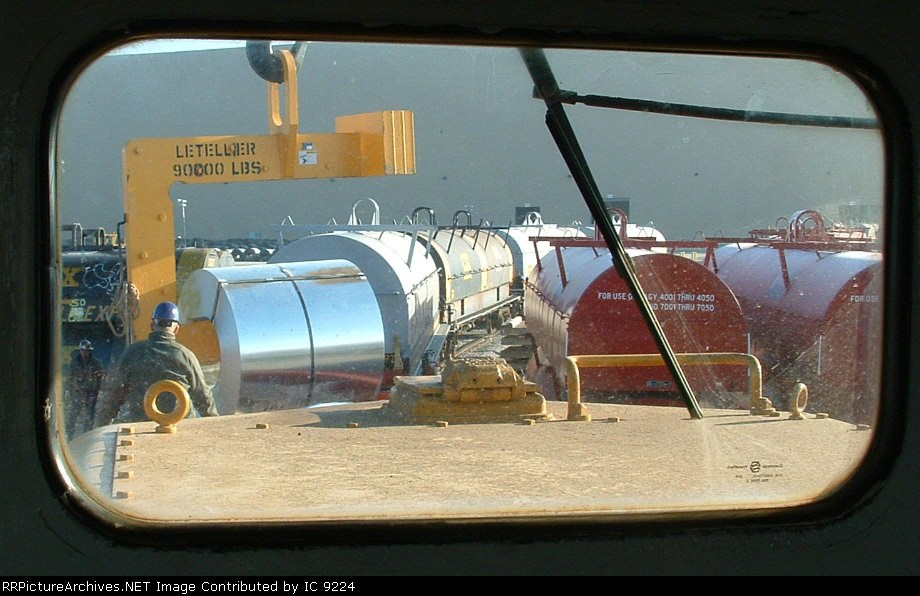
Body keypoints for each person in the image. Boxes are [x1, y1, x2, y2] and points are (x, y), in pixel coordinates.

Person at [94, 301, 219, 426]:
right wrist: (215, 424)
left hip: (142, 428)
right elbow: (203, 397)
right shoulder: (185, 356)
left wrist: (101, 425)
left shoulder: (133, 353)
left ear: (152, 325)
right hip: (180, 428)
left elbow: (114, 395)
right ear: (176, 329)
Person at [65, 338, 104, 439]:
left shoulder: (96, 363)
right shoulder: (74, 363)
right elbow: (70, 377)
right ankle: (69, 435)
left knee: (89, 416)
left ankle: (87, 436)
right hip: (78, 392)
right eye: (83, 350)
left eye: (87, 351)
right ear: (80, 350)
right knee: (73, 415)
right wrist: (69, 390)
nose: (85, 353)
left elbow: (100, 377)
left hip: (91, 393)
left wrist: (97, 390)